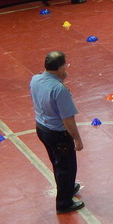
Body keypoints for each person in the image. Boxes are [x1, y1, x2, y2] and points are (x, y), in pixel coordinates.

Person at [30, 51, 85, 214]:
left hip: (42, 128)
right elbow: (67, 119)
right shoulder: (60, 90)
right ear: (61, 67)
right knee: (66, 167)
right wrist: (77, 139)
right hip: (58, 134)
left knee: (58, 163)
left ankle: (67, 188)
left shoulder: (35, 79)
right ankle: (64, 203)